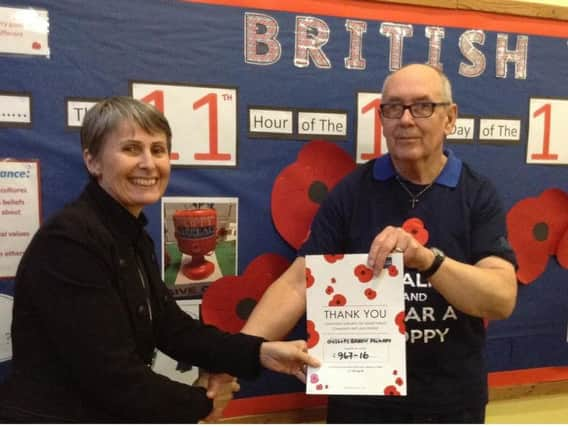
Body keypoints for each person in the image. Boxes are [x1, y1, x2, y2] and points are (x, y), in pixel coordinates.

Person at [0, 96, 319, 423]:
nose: (149, 164)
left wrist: (260, 353)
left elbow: (171, 328)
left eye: (158, 150)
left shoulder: (130, 234)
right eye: (131, 149)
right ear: (93, 161)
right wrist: (201, 403)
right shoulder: (70, 241)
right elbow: (110, 376)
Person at [238, 63, 518, 423]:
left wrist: (427, 261)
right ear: (381, 119)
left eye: (422, 106)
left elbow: (501, 298)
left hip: (450, 403)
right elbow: (298, 283)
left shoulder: (477, 193)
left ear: (450, 118)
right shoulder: (352, 192)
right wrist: (236, 357)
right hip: (360, 403)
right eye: (393, 107)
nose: (405, 119)